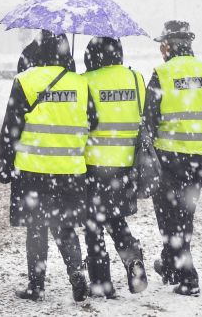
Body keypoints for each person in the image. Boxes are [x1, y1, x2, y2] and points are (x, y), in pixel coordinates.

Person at [0, 31, 96, 302]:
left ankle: (36, 285)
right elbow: (94, 121)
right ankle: (76, 274)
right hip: (70, 169)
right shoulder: (80, 83)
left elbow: (11, 129)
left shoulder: (25, 81)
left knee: (37, 227)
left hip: (33, 170)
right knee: (64, 225)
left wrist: (5, 166)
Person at [139, 20, 202, 296]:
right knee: (183, 214)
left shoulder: (163, 73)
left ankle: (188, 277)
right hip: (200, 158)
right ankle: (170, 265)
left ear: (169, 45)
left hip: (168, 156)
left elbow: (149, 118)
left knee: (169, 217)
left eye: (162, 45)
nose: (161, 50)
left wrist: (145, 152)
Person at [82, 37, 148, 298]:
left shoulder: (87, 80)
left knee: (93, 222)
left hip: (93, 163)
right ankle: (133, 259)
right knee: (113, 215)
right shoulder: (136, 79)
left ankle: (101, 282)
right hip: (126, 164)